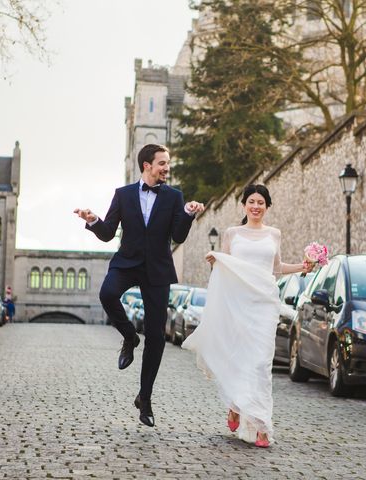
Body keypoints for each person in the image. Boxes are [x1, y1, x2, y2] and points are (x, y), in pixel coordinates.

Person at [74, 143, 204, 427]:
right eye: (162, 163)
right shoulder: (123, 195)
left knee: (157, 337)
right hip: (127, 262)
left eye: (168, 163)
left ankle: (145, 398)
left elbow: (178, 236)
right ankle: (130, 337)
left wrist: (189, 214)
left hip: (157, 269)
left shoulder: (173, 197)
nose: (167, 168)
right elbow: (109, 233)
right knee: (107, 293)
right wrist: (93, 220)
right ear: (147, 165)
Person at [182, 184, 312, 448]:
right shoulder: (232, 233)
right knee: (239, 357)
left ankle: (262, 424)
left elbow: (275, 268)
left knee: (261, 364)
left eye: (261, 203)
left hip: (264, 304)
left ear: (267, 207)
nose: (256, 206)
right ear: (244, 205)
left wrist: (304, 266)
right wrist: (216, 259)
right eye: (251, 201)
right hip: (238, 305)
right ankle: (235, 403)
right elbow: (227, 266)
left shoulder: (274, 234)